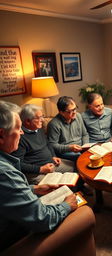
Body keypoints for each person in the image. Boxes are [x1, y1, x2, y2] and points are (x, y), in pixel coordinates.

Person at [0, 101, 77, 251]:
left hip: (45, 171)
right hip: (15, 237)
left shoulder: (39, 131)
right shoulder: (5, 173)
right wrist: (66, 206)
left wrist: (34, 189)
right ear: (1, 135)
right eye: (17, 128)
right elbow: (42, 218)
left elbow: (6, 192)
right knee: (79, 211)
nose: (21, 132)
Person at [12, 104, 75, 185]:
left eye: (42, 116)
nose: (42, 120)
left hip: (51, 163)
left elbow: (48, 143)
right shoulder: (19, 137)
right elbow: (18, 164)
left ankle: (77, 194)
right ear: (27, 121)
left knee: (73, 166)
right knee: (54, 186)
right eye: (38, 118)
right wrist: (40, 169)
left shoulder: (38, 128)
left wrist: (53, 156)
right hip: (36, 172)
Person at [47, 96, 89, 162]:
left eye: (75, 109)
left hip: (81, 148)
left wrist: (85, 146)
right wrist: (69, 148)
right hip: (66, 152)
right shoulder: (54, 124)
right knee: (82, 159)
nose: (74, 112)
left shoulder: (78, 116)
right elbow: (52, 145)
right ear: (61, 112)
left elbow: (85, 134)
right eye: (70, 111)